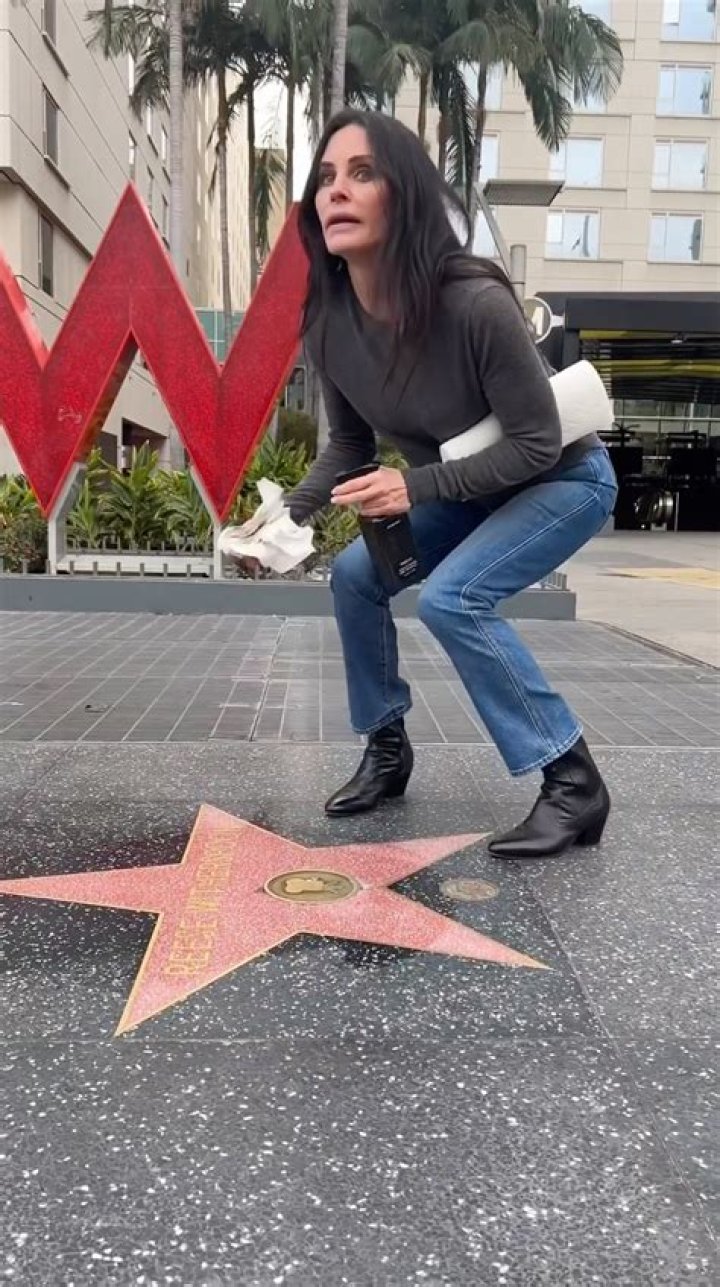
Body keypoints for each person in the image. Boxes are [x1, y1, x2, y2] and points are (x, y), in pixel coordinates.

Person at [282, 108, 618, 859]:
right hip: (466, 491)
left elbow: (535, 442)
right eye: (326, 177)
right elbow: (348, 443)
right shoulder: (330, 327)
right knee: (353, 576)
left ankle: (573, 782)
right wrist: (287, 518)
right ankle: (387, 750)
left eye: (361, 173)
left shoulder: (472, 301)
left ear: (403, 196)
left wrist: (414, 487)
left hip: (564, 479)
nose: (336, 190)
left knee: (453, 596)